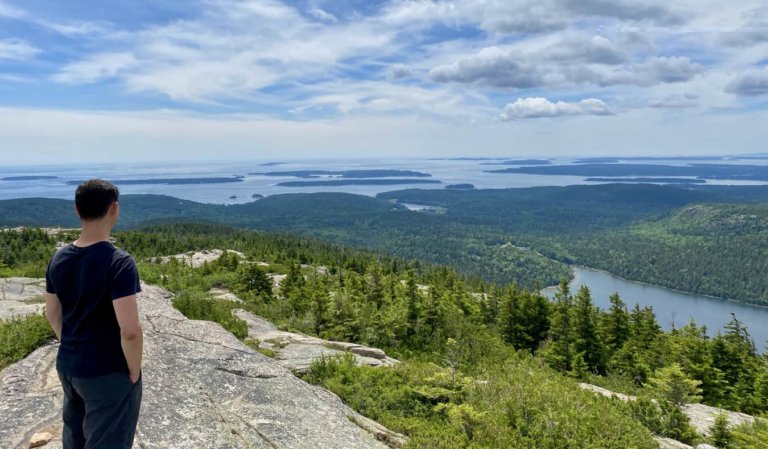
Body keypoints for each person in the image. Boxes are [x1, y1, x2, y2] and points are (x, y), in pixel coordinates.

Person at [45, 179, 143, 449]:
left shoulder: (58, 258)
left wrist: (74, 344)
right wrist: (133, 373)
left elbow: (52, 312)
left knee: (75, 437)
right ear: (114, 209)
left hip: (69, 365)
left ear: (77, 210)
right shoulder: (119, 262)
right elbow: (130, 331)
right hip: (107, 371)